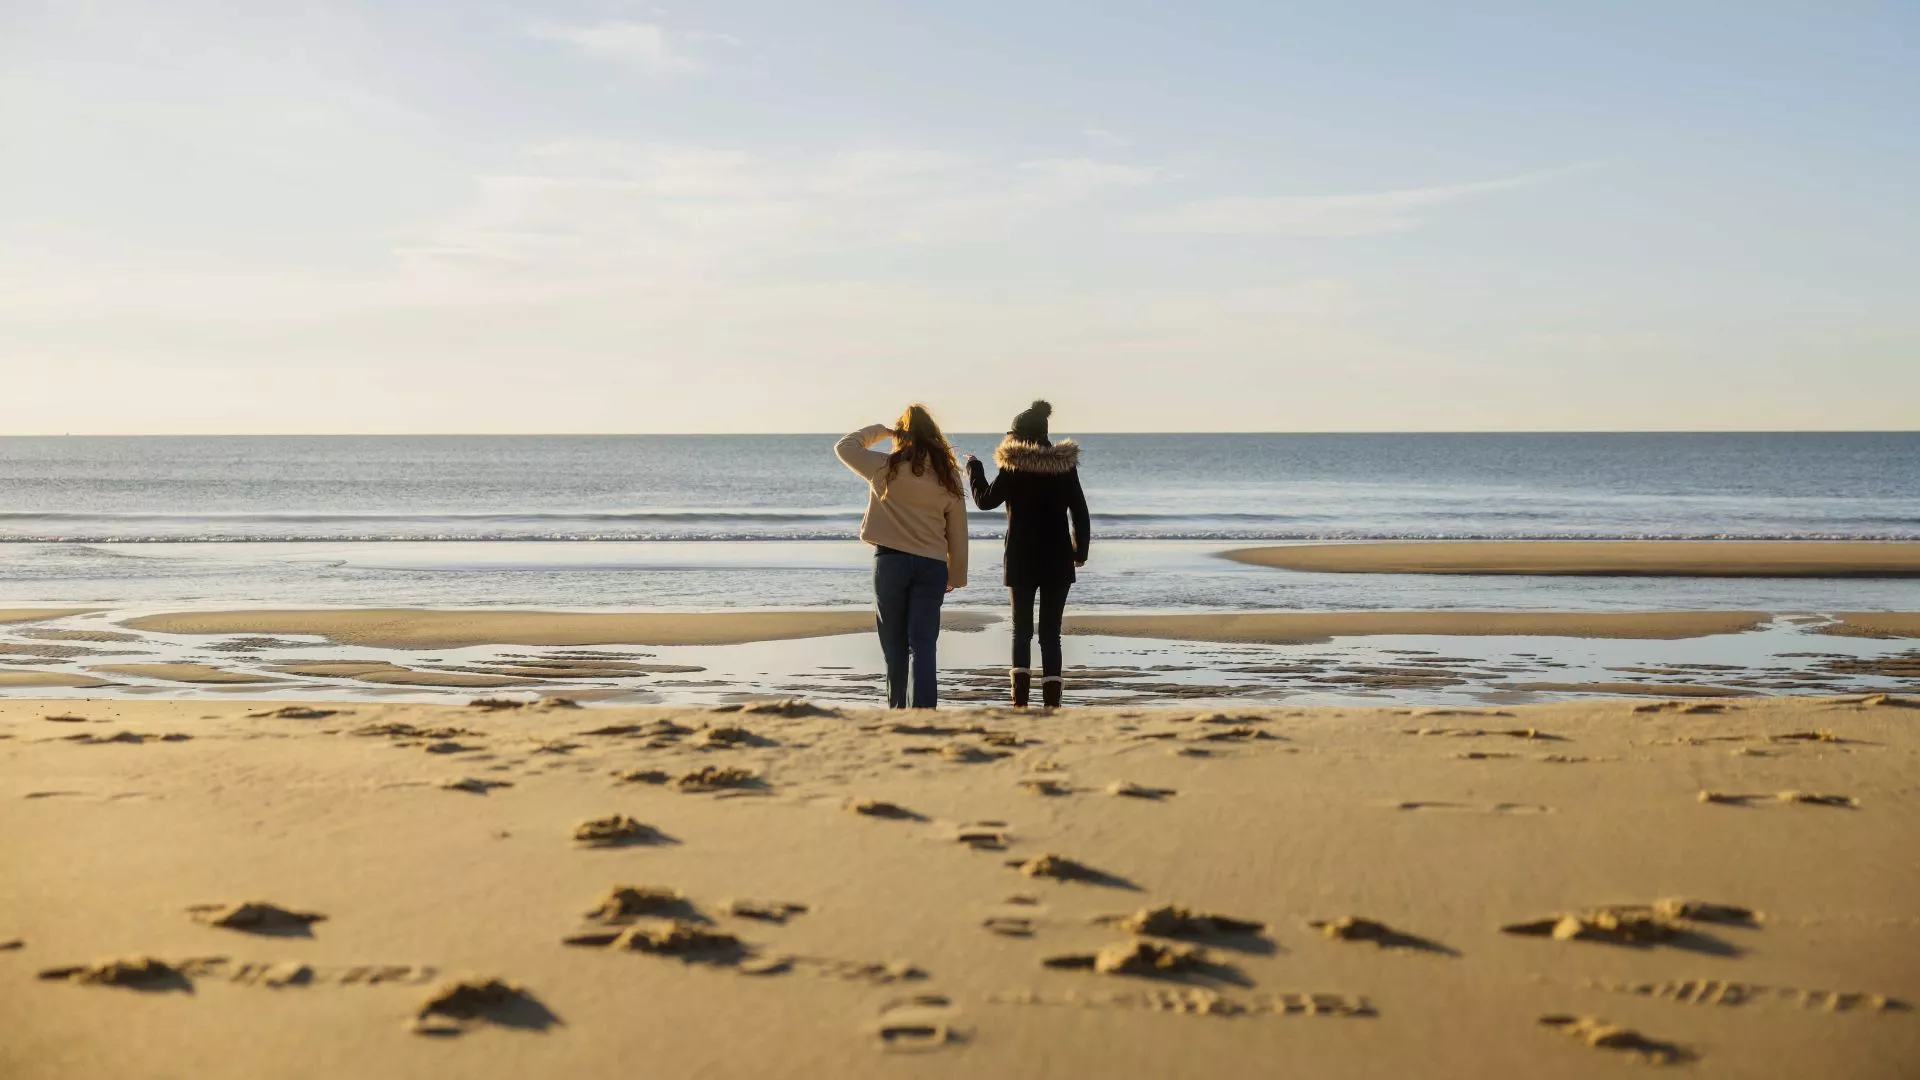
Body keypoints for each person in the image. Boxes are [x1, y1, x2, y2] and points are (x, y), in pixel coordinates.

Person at [834, 404, 970, 709]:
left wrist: (882, 431)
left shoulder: (885, 466)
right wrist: (956, 575)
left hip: (891, 563)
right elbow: (958, 531)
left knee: (894, 645)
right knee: (923, 645)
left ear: (902, 435)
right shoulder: (947, 476)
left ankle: (897, 710)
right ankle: (924, 711)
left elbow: (845, 447)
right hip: (932, 565)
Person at [965, 400, 1089, 708]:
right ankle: (1052, 704)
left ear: (1018, 437)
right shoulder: (1064, 467)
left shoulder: (1014, 467)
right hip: (1058, 559)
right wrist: (1080, 550)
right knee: (1050, 634)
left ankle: (1020, 702)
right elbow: (1080, 511)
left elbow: (984, 501)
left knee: (1021, 632)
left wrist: (974, 469)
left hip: (1021, 558)